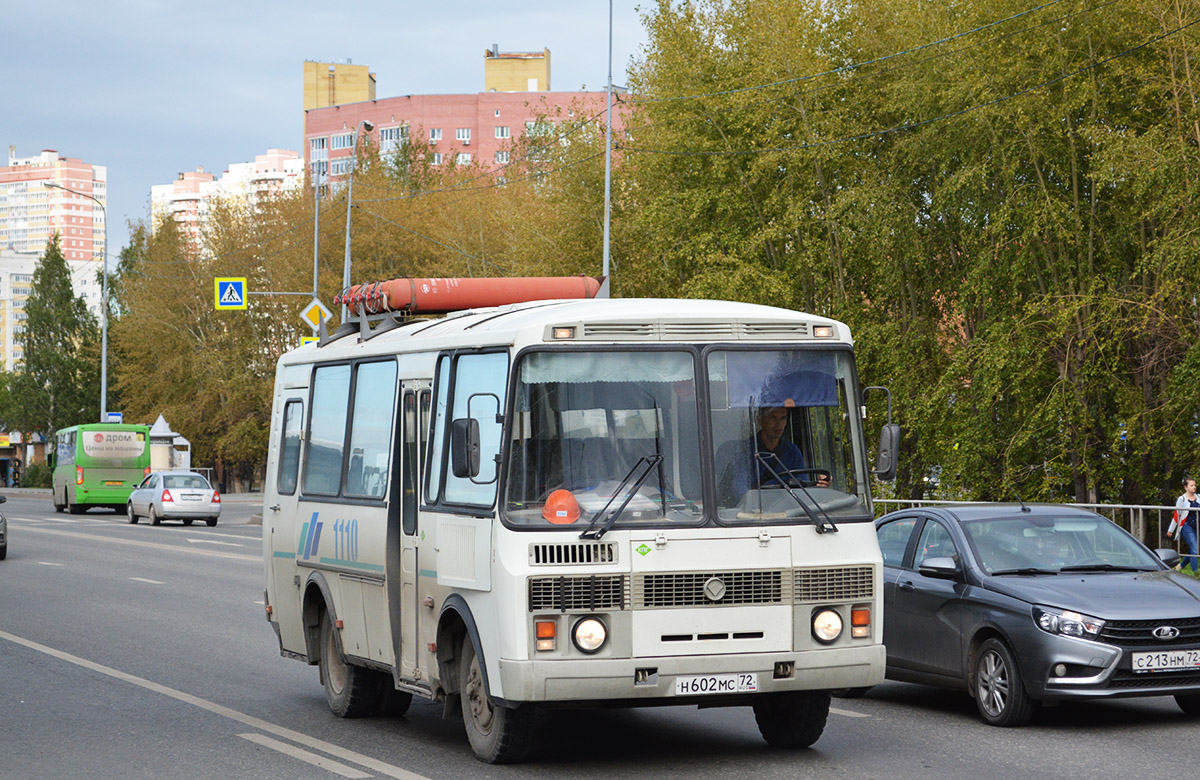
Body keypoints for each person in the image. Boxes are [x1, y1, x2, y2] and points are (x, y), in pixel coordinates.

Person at [728, 406, 830, 498]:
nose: (779, 424)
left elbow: (802, 488)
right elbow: (739, 491)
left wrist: (818, 485)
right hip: (755, 513)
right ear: (761, 420)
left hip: (787, 512)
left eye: (783, 418)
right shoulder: (744, 451)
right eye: (773, 417)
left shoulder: (792, 452)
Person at [1169, 478, 1200, 573]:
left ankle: (1181, 566)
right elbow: (1176, 515)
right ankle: (1196, 573)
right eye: (1191, 485)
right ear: (1185, 487)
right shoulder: (1182, 499)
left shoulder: (1199, 497)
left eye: (1194, 485)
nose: (1194, 487)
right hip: (1186, 526)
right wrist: (1171, 530)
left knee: (1193, 549)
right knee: (1195, 551)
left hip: (1198, 526)